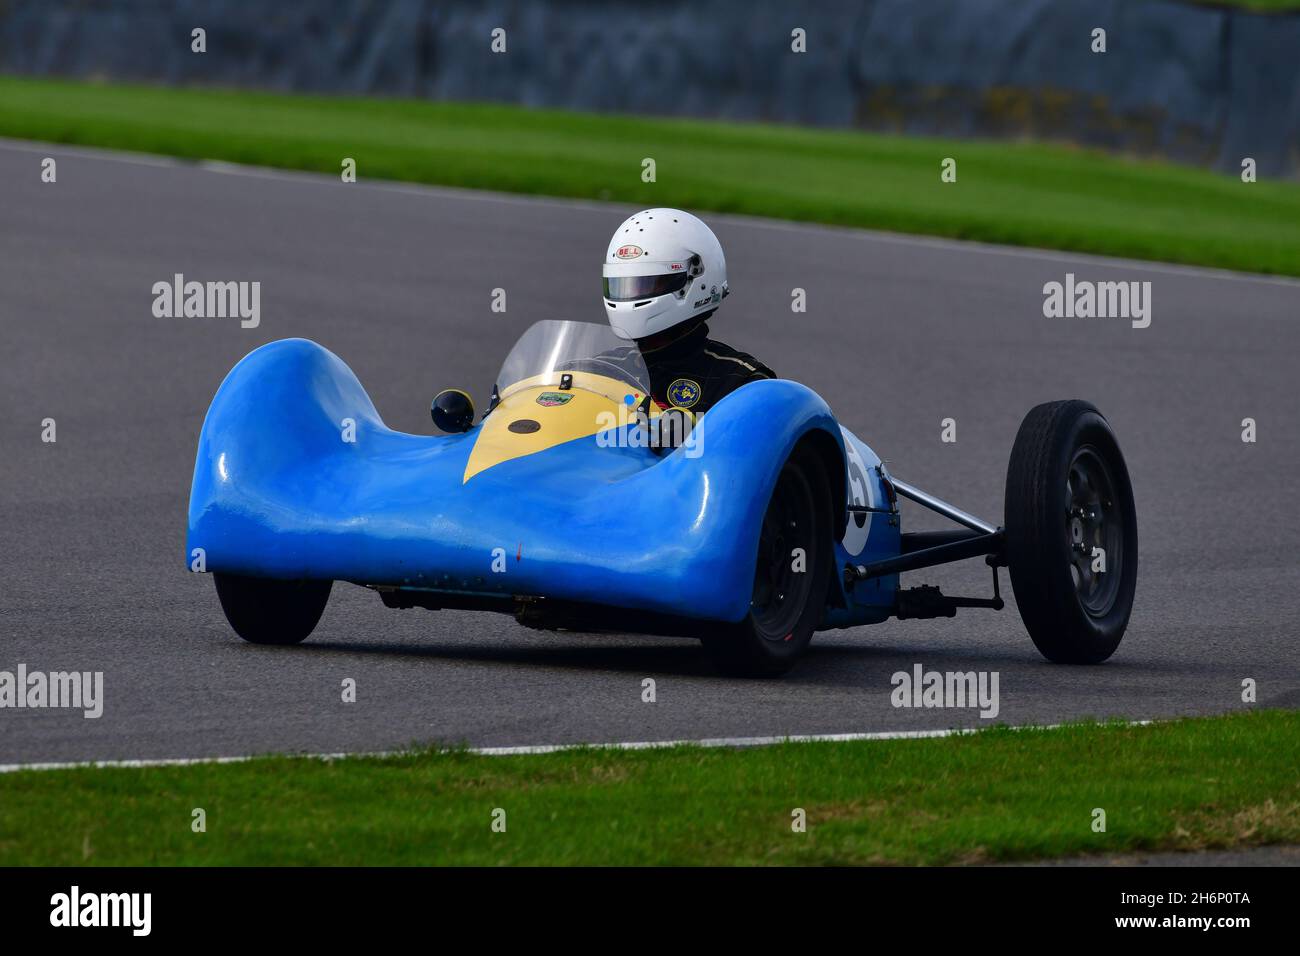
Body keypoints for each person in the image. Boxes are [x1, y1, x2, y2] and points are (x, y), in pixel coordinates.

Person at [601, 209, 774, 417]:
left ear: (696, 277)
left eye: (646, 284)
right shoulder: (597, 369)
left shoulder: (738, 382)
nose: (631, 297)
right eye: (623, 285)